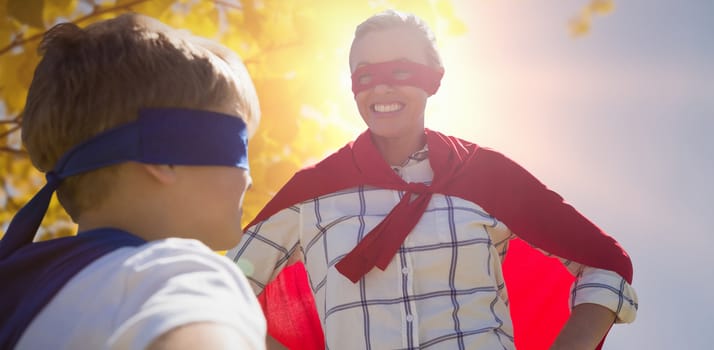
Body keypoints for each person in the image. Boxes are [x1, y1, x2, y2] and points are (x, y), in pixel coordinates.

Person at [229, 10, 638, 350]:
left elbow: (605, 263)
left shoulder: (486, 174)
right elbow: (219, 291)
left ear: (433, 78)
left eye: (401, 71)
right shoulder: (313, 194)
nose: (383, 86)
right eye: (366, 75)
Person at [0, 14, 266, 350]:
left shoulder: (18, 291)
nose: (250, 180)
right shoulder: (173, 277)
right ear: (166, 154)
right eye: (239, 146)